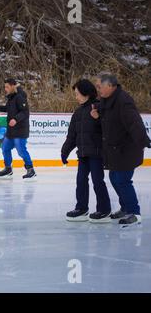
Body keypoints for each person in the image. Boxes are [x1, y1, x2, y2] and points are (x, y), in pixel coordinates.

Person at [92, 73, 151, 227]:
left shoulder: (123, 101)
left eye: (100, 86)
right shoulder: (107, 100)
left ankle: (134, 213)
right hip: (115, 149)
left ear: (110, 86)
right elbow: (108, 117)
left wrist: (144, 141)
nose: (98, 90)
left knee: (123, 180)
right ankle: (125, 208)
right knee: (114, 178)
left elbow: (134, 123)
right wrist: (98, 115)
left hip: (128, 148)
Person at [62, 79, 111, 223]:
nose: (76, 97)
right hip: (83, 154)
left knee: (97, 181)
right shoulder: (77, 113)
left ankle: (104, 209)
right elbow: (72, 136)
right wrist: (65, 151)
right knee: (81, 181)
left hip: (96, 153)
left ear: (86, 93)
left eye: (77, 94)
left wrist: (99, 118)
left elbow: (108, 127)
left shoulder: (99, 107)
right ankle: (82, 208)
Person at [0, 78, 36, 180]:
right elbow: (7, 108)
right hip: (11, 131)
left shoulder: (20, 97)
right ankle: (8, 169)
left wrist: (15, 119)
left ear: (12, 86)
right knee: (5, 148)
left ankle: (31, 170)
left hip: (20, 130)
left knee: (21, 151)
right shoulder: (12, 97)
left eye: (7, 87)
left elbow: (25, 112)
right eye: (5, 87)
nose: (5, 89)